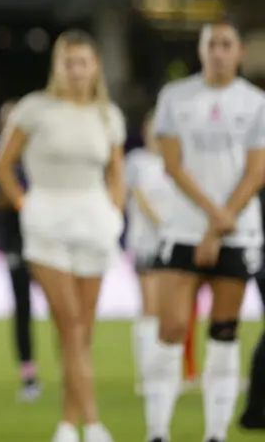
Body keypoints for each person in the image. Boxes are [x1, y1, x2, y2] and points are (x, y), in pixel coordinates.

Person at [0, 29, 125, 442]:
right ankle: (94, 422)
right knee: (68, 324)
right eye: (69, 62)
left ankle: (68, 425)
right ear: (58, 66)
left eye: (83, 62)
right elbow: (2, 165)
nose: (76, 70)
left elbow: (116, 174)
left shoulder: (109, 115)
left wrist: (114, 216)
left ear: (95, 67)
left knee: (82, 330)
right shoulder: (34, 109)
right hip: (47, 220)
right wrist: (24, 203)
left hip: (94, 222)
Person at [143, 19, 265, 442]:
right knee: (172, 328)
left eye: (226, 43)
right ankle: (157, 432)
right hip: (185, 229)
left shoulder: (255, 103)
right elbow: (172, 165)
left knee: (224, 331)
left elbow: (257, 170)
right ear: (200, 50)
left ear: (239, 52)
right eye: (211, 43)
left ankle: (215, 435)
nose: (218, 51)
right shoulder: (175, 97)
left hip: (238, 231)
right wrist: (215, 218)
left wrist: (222, 222)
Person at [0, 98, 42, 402]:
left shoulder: (36, 154)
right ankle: (28, 376)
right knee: (22, 308)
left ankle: (73, 373)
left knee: (64, 308)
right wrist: (23, 198)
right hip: (16, 242)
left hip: (44, 239)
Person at [124, 109, 170, 397]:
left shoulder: (175, 162)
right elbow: (140, 198)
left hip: (173, 245)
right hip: (147, 243)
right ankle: (146, 373)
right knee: (150, 307)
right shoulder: (137, 161)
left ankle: (166, 372)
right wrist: (165, 225)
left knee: (169, 311)